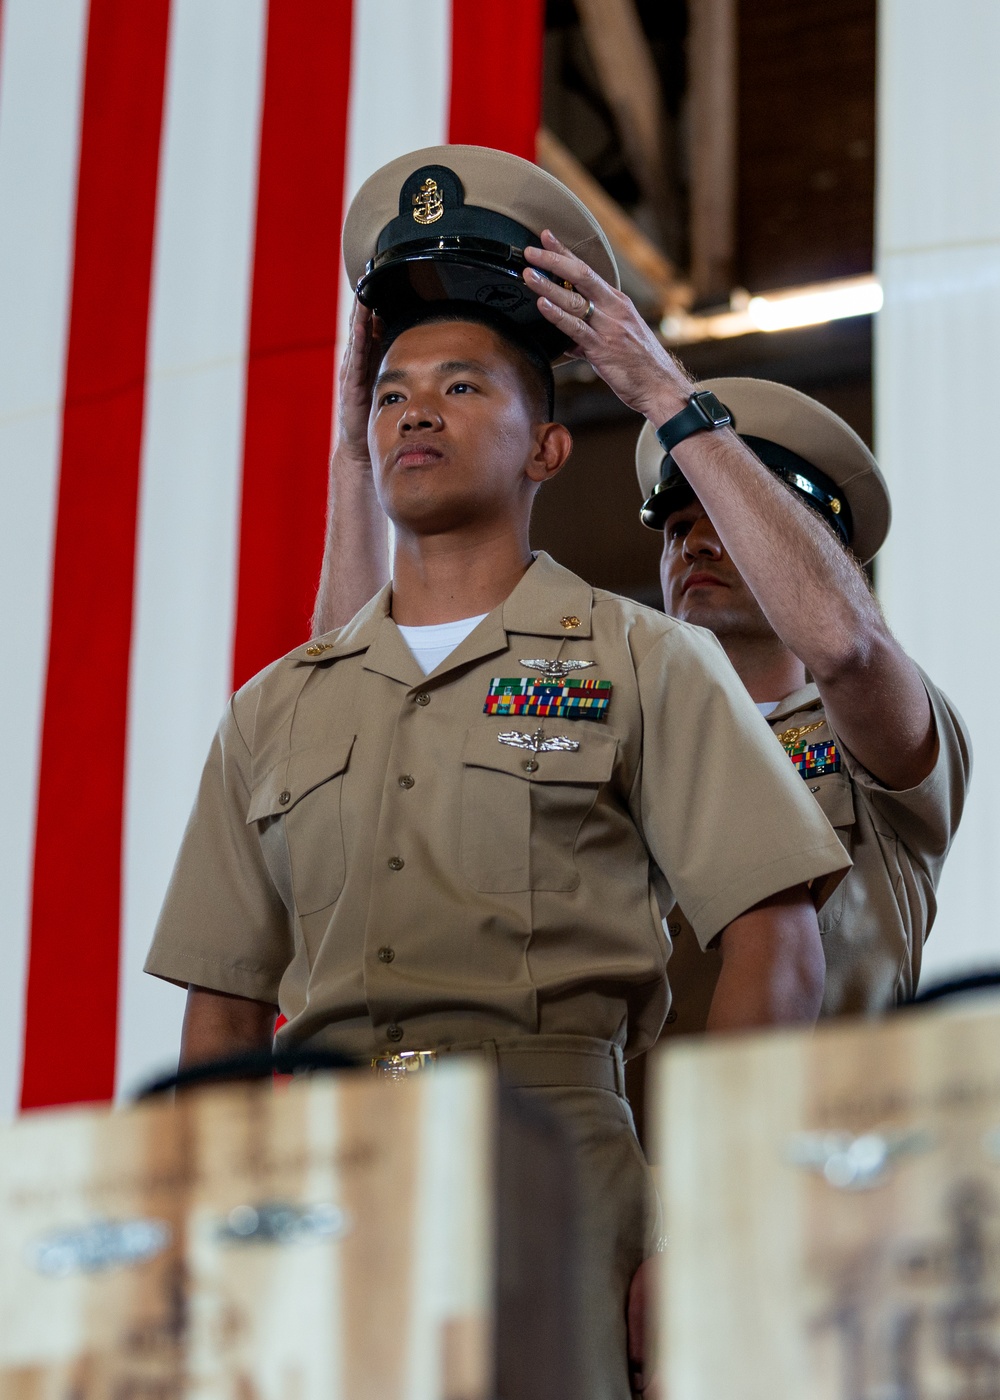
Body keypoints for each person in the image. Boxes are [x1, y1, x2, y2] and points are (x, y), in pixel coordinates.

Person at [146, 145, 851, 1400]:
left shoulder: (650, 662)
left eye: (465, 384)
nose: (415, 408)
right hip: (316, 1194)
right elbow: (219, 1011)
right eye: (394, 390)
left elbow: (775, 946)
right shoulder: (271, 710)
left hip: (556, 1177)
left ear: (545, 452)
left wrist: (699, 1220)